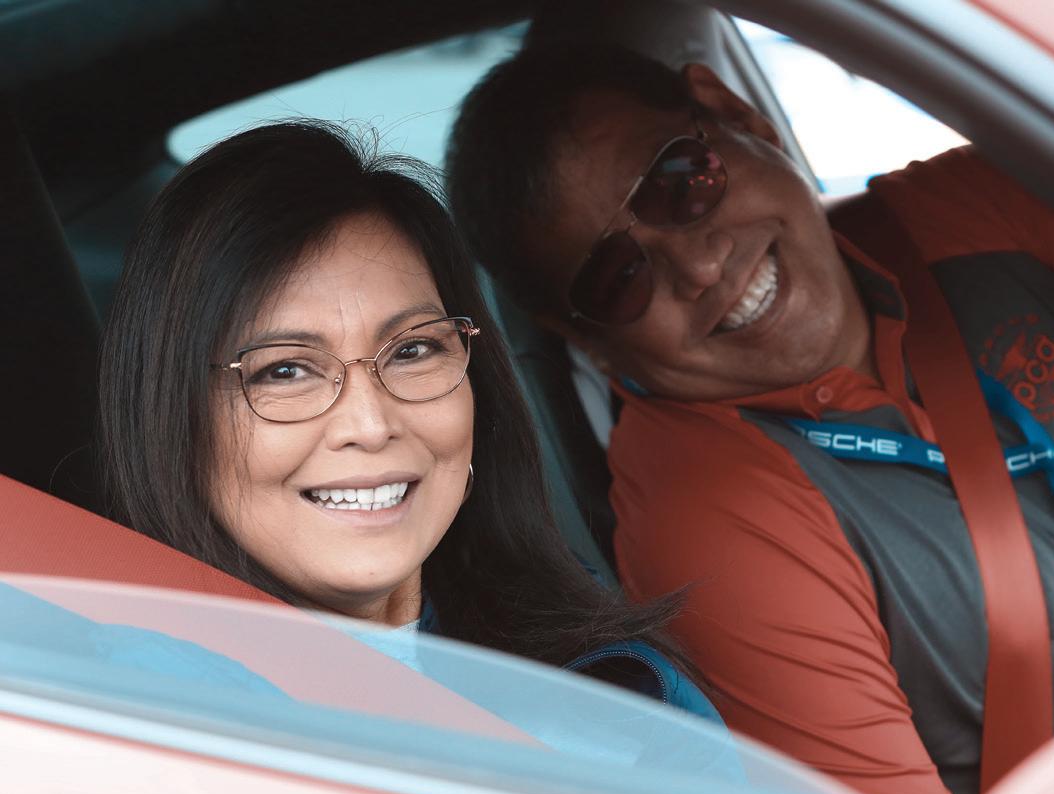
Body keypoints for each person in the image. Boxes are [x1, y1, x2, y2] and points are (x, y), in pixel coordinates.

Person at [445, 44, 1054, 794]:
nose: (698, 267)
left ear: (737, 116)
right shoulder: (711, 516)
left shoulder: (955, 223)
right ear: (586, 338)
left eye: (678, 184)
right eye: (617, 277)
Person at [96, 119, 718, 721]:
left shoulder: (617, 680)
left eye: (413, 350)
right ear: (171, 419)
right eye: (284, 371)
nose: (371, 425)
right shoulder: (128, 726)